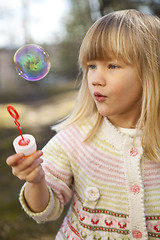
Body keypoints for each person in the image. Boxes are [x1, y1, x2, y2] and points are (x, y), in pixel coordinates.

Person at [6, 9, 160, 240]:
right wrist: (36, 180)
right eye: (91, 66)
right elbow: (45, 210)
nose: (96, 79)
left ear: (150, 72)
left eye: (112, 66)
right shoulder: (74, 139)